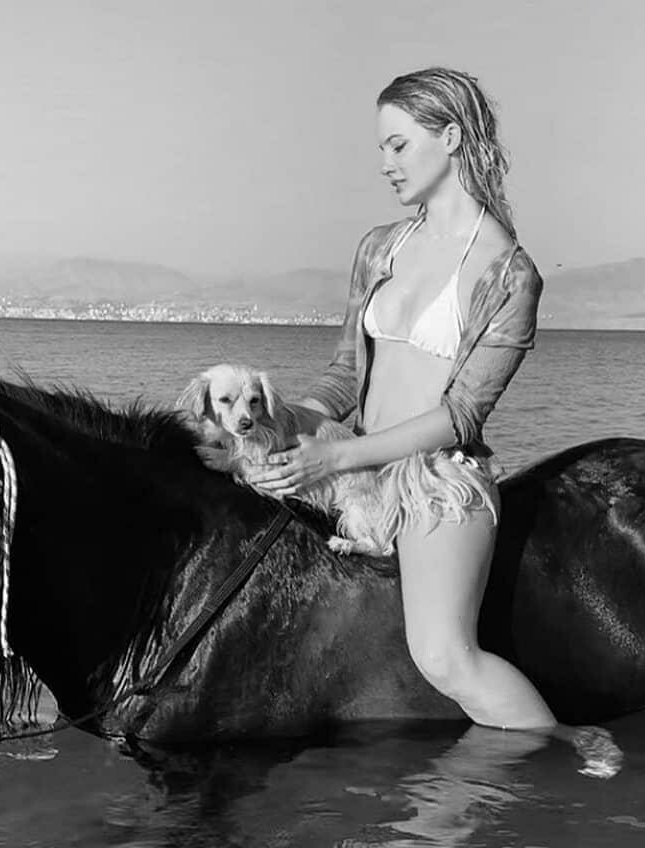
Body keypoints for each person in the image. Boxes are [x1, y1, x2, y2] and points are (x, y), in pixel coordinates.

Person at [246, 68, 620, 770]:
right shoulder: (378, 247)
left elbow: (460, 415)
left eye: (398, 145)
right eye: (381, 149)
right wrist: (283, 423)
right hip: (353, 462)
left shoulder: (509, 273)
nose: (385, 164)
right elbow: (344, 376)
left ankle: (563, 747)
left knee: (444, 654)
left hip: (434, 479)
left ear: (449, 137)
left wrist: (336, 458)